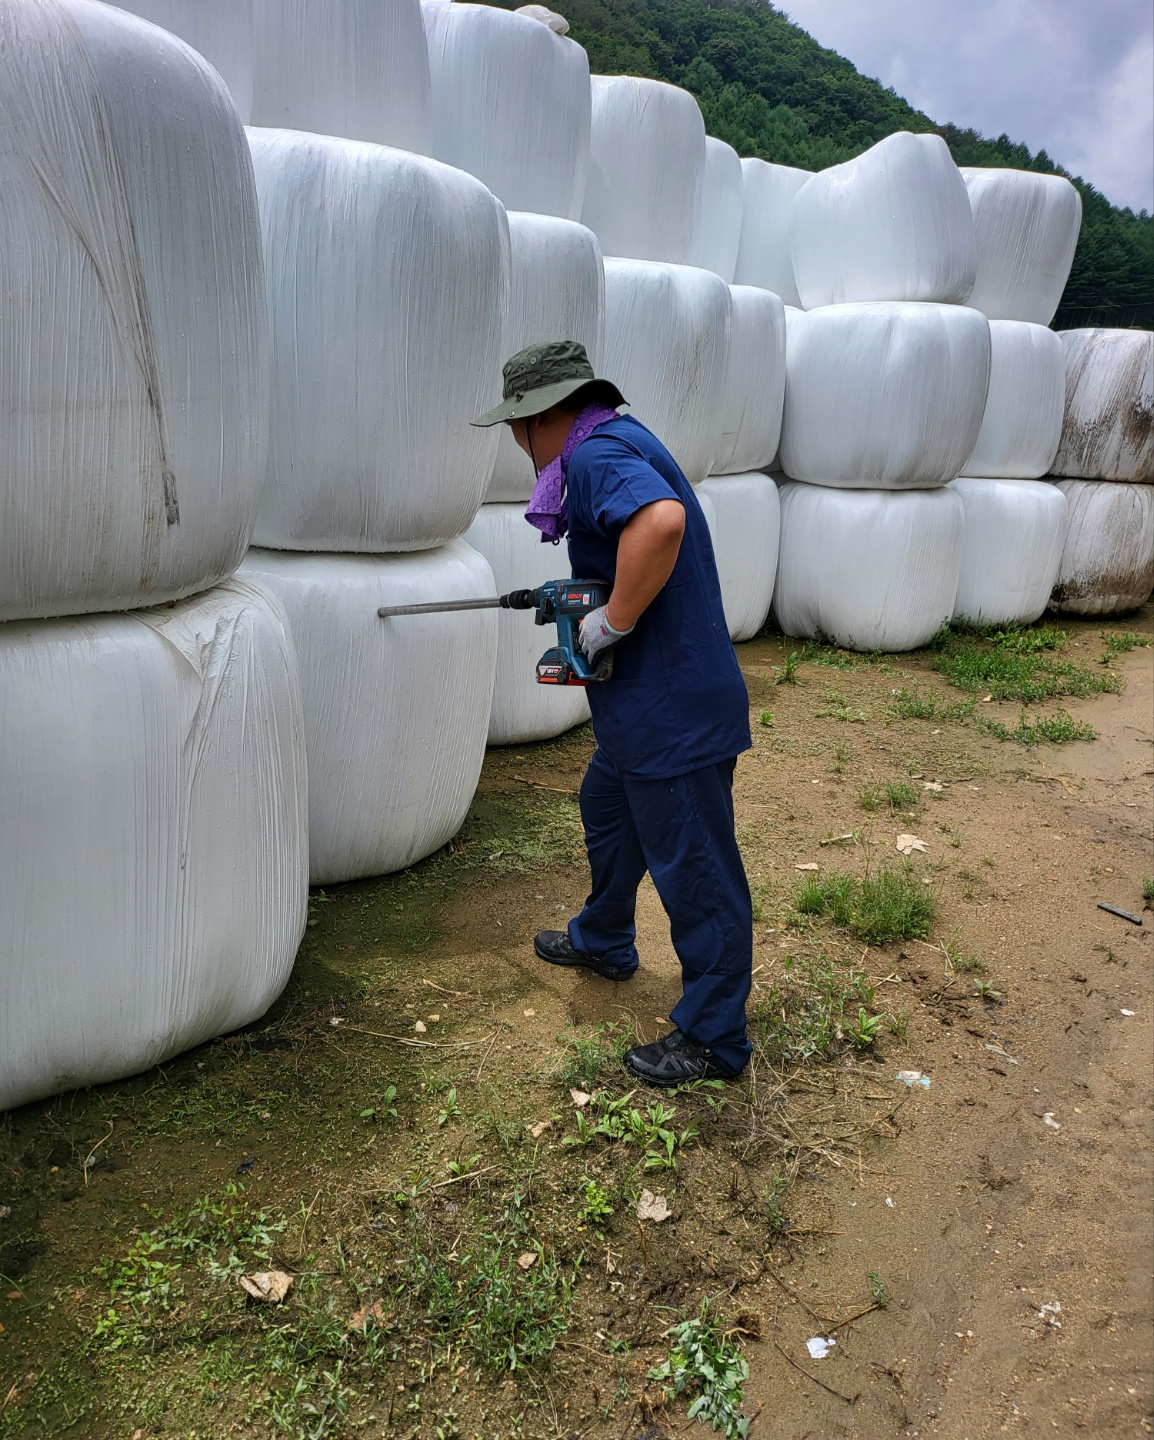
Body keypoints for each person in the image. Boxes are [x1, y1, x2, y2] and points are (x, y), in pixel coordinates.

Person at [473, 341, 752, 1086]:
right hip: (646, 706)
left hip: (673, 711)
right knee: (606, 803)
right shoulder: (615, 439)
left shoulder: (596, 457)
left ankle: (715, 1035)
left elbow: (659, 524)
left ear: (539, 416)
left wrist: (613, 622)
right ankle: (604, 938)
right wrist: (587, 599)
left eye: (514, 427)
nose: (514, 443)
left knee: (693, 868)